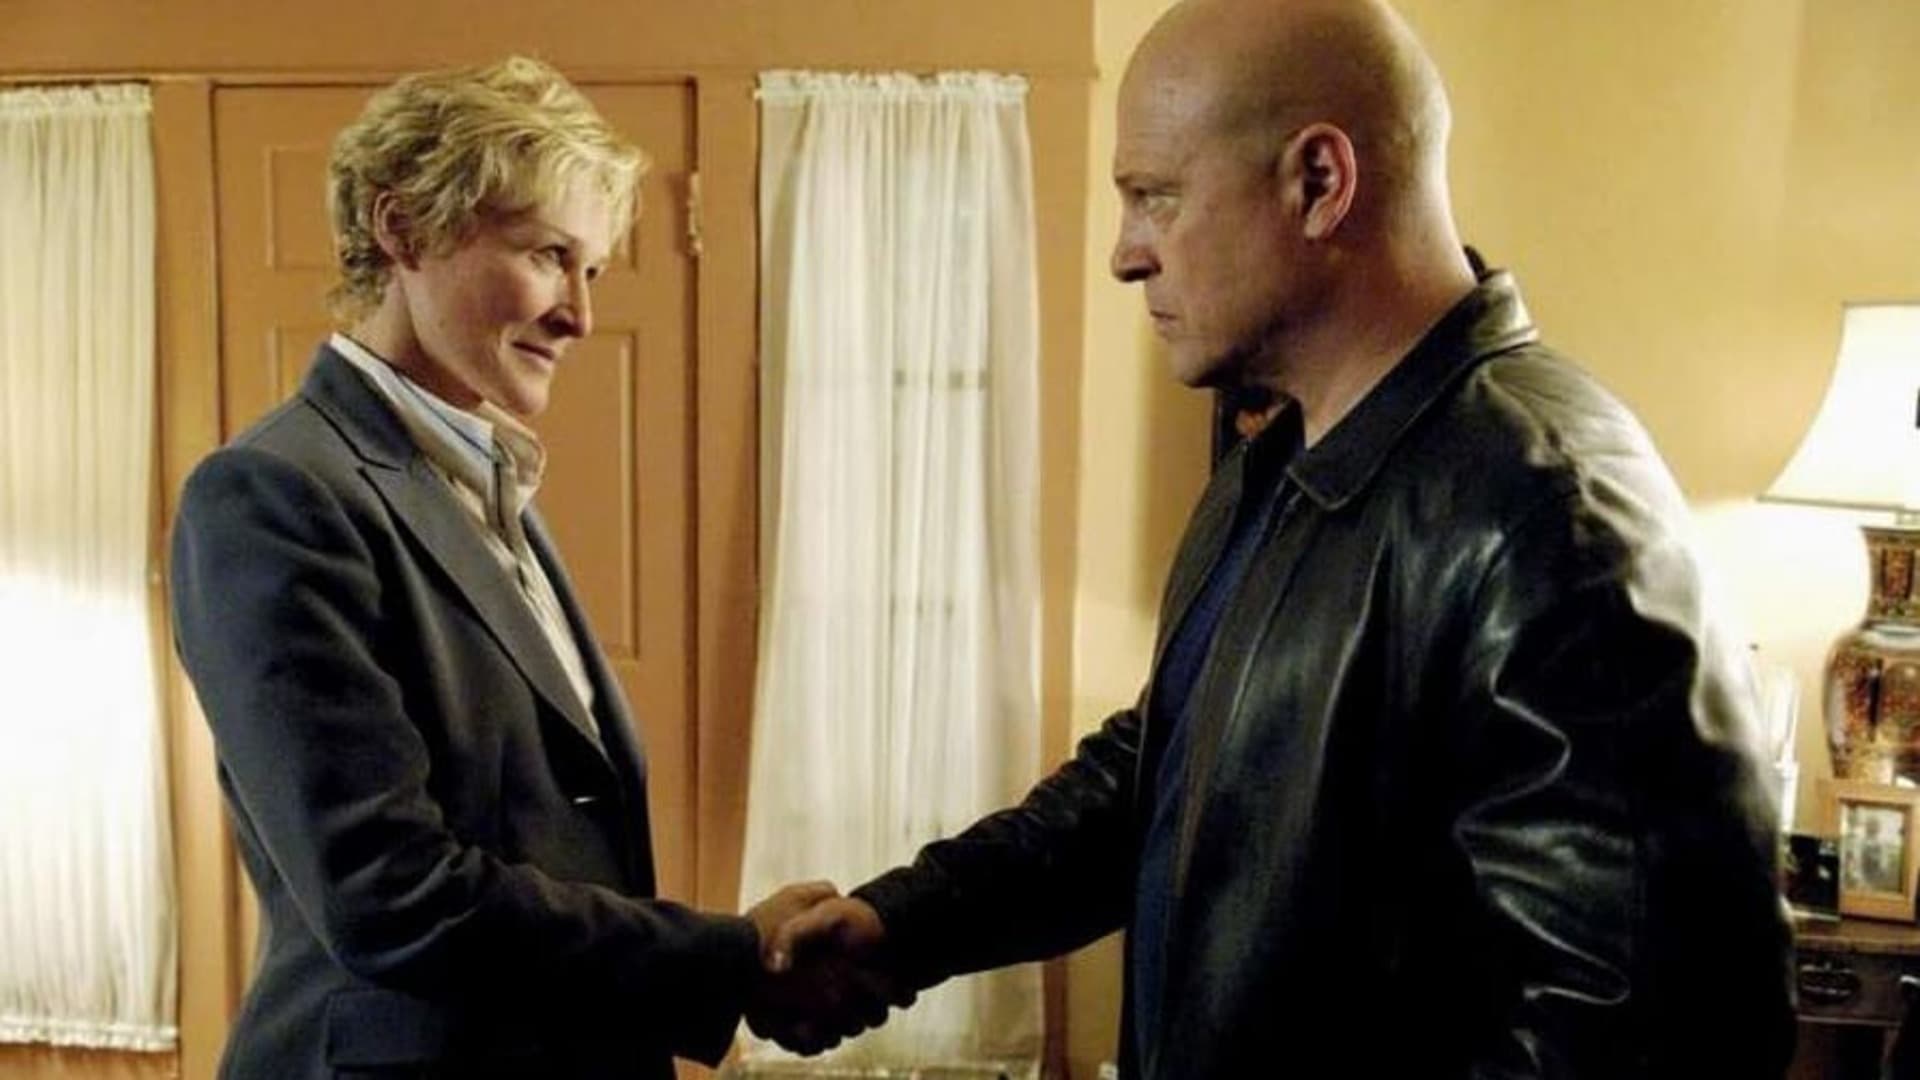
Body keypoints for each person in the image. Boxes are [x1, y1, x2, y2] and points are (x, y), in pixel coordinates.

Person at [767, 0, 1797, 1075]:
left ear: (1318, 182)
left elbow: (1647, 1038)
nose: (1125, 255)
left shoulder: (1549, 514)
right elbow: (1168, 771)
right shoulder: (1275, 466)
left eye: (1156, 197)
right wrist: (906, 923)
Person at [169, 57, 881, 1079]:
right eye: (550, 255)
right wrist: (732, 958)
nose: (580, 315)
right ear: (403, 228)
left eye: (593, 271)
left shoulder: (487, 478)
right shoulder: (273, 494)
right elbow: (391, 894)